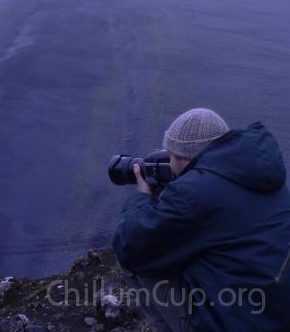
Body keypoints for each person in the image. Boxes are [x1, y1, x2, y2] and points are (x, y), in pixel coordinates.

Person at [113, 108, 290, 331]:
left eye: (170, 155)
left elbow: (130, 247)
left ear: (182, 158)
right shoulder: (263, 174)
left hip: (232, 323)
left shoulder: (194, 193)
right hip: (273, 314)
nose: (168, 162)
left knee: (134, 258)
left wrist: (142, 199)